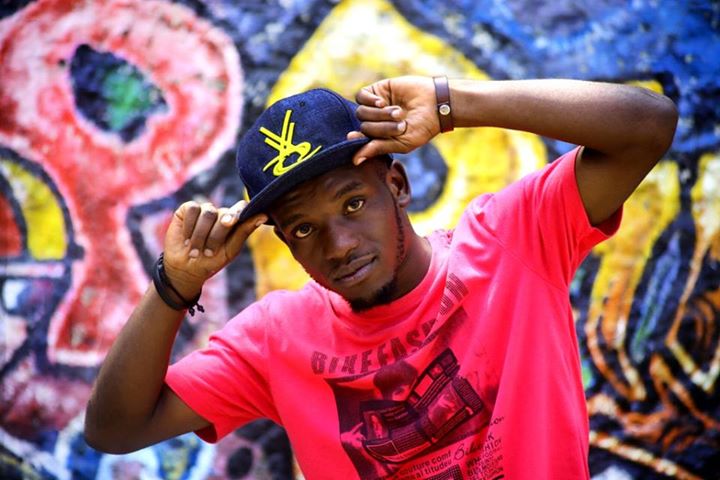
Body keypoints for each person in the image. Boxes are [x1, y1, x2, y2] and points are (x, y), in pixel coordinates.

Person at [84, 75, 677, 479]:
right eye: (304, 229)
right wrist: (174, 286)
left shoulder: (511, 244)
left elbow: (648, 125)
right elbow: (114, 429)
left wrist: (450, 102)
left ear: (396, 185)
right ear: (285, 242)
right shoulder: (275, 339)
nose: (339, 246)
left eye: (352, 204)